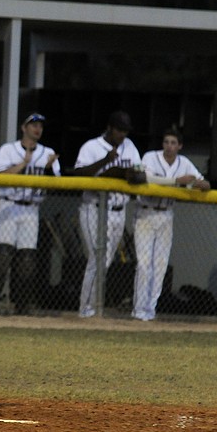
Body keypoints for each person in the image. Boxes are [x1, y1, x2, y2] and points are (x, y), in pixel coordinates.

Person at [0, 113, 60, 316]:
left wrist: (49, 168)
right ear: (23, 127)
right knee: (3, 254)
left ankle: (23, 305)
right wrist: (23, 164)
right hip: (9, 205)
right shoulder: (8, 150)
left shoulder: (48, 153)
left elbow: (56, 185)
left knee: (27, 259)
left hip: (31, 208)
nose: (37, 129)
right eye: (33, 125)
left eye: (40, 126)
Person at [131, 129, 209, 321]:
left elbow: (205, 184)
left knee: (160, 265)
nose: (169, 146)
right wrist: (176, 181)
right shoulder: (150, 156)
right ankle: (138, 309)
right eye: (166, 142)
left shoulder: (184, 163)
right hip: (146, 213)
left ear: (180, 146)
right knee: (143, 264)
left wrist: (196, 183)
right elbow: (145, 178)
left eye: (173, 143)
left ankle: (149, 310)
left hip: (166, 215)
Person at [73, 110, 143, 318]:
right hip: (94, 208)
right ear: (110, 127)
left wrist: (132, 175)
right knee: (97, 258)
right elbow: (78, 176)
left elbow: (139, 173)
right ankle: (87, 309)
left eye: (125, 131)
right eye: (119, 130)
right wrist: (105, 161)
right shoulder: (92, 147)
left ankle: (94, 307)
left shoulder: (130, 147)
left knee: (104, 262)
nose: (123, 134)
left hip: (118, 211)